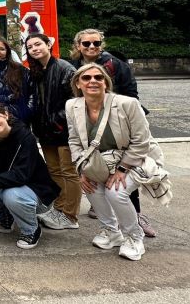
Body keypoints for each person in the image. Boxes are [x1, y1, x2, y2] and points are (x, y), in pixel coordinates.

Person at [66, 64, 170, 261]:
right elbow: (74, 141)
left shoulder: (127, 103)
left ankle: (134, 237)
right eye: (86, 78)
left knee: (116, 192)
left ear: (106, 82)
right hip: (100, 160)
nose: (93, 81)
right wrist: (82, 170)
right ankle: (112, 233)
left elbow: (142, 141)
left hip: (134, 158)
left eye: (98, 77)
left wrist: (122, 169)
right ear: (78, 84)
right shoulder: (73, 105)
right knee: (91, 187)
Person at [67, 28, 154, 236]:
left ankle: (136, 217)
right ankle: (109, 225)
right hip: (90, 123)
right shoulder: (72, 67)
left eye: (96, 43)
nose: (91, 47)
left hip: (118, 125)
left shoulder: (116, 65)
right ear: (78, 46)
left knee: (120, 181)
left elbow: (132, 93)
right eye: (86, 44)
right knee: (95, 176)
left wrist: (118, 112)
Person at [0, 101, 60, 249]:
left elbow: (21, 174)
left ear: (6, 115)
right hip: (4, 187)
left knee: (12, 195)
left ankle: (31, 230)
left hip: (36, 193)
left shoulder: (24, 136)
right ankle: (7, 217)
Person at [25, 34, 79, 231]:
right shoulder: (37, 70)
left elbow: (76, 100)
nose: (34, 49)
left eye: (38, 44)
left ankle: (71, 216)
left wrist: (57, 119)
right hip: (45, 131)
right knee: (54, 171)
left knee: (69, 172)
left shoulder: (65, 68)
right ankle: (59, 208)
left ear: (49, 44)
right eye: (30, 47)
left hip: (63, 130)